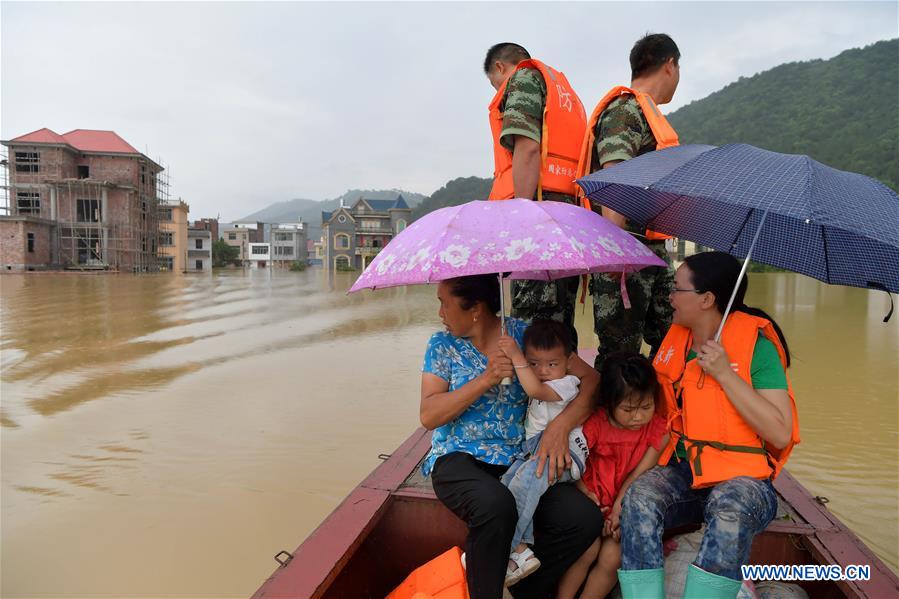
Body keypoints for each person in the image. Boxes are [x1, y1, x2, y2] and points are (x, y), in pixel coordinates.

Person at [616, 252, 800, 599]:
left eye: (676, 289)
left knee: (729, 506)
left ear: (707, 299)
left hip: (746, 481)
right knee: (642, 497)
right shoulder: (677, 343)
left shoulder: (756, 349)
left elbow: (779, 432)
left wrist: (723, 375)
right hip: (689, 474)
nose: (669, 297)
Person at [420, 274, 602, 598]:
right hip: (457, 457)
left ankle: (524, 591)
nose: (440, 313)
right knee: (496, 503)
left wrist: (560, 427)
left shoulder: (523, 336)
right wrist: (486, 379)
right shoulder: (442, 345)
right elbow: (429, 415)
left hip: (519, 457)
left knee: (583, 519)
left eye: (444, 303)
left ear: (475, 308)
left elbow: (591, 381)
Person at [574, 33, 682, 371]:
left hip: (651, 251)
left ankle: (656, 412)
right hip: (624, 253)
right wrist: (613, 255)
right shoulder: (625, 110)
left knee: (672, 339)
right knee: (620, 352)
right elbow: (614, 174)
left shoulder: (649, 116)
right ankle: (613, 419)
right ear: (670, 65)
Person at [483, 42, 587, 345]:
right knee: (561, 321)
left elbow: (527, 147)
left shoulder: (523, 79)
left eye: (495, 84)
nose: (498, 93)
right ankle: (564, 390)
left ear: (501, 67)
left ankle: (536, 393)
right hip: (570, 215)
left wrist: (521, 216)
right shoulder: (565, 95)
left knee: (533, 325)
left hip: (538, 213)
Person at [556, 352, 668, 599]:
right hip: (591, 499)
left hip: (624, 502)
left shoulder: (658, 428)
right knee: (587, 550)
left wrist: (619, 509)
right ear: (610, 402)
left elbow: (641, 473)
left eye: (646, 407)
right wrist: (588, 496)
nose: (638, 416)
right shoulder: (594, 425)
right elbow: (574, 467)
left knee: (612, 557)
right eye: (628, 409)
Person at [495, 319, 590, 587]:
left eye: (552, 364)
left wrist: (516, 356)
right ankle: (522, 551)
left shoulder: (567, 383)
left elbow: (534, 389)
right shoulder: (551, 377)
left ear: (569, 361)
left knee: (525, 485)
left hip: (564, 452)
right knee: (508, 484)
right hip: (536, 449)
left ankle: (503, 552)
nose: (543, 371)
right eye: (534, 363)